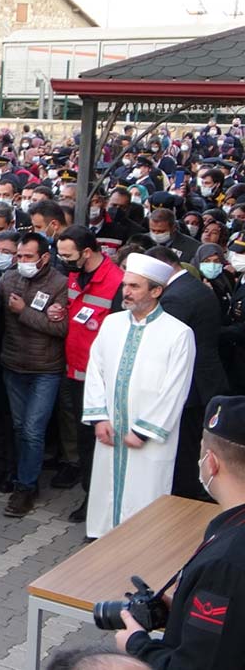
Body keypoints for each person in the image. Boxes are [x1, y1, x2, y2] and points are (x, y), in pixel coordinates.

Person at [115, 396, 245, 668]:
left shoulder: (225, 561)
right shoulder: (231, 526)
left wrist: (137, 645)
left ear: (211, 462)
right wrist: (184, 606)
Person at [83, 253, 195, 539]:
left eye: (135, 286)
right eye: (125, 285)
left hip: (149, 437)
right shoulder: (112, 324)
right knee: (106, 491)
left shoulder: (178, 334)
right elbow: (95, 370)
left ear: (156, 291)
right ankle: (103, 542)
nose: (127, 292)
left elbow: (175, 390)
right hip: (110, 429)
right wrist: (99, 417)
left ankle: (142, 549)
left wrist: (144, 431)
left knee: (145, 496)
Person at [145, 246, 232, 501]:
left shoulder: (175, 298)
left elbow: (165, 345)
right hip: (205, 378)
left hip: (192, 383)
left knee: (186, 451)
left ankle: (187, 501)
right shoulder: (194, 286)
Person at [52, 226, 123, 524]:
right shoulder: (75, 274)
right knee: (84, 440)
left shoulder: (117, 283)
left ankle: (98, 500)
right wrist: (61, 312)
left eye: (68, 256)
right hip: (74, 369)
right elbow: (75, 311)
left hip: (100, 378)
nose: (63, 261)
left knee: (98, 442)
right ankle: (90, 493)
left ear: (87, 252)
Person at [0, 232, 68, 518]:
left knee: (32, 430)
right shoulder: (9, 279)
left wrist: (24, 311)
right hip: (13, 365)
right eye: (19, 256)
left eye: (28, 257)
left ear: (45, 258)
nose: (22, 261)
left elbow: (60, 329)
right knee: (19, 427)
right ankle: (21, 475)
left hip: (45, 370)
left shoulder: (60, 284)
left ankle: (26, 487)